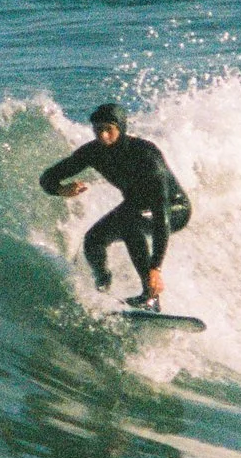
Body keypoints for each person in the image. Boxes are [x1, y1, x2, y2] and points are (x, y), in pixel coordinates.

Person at [39, 103, 192, 310]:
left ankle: (150, 296)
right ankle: (103, 289)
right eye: (98, 130)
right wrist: (60, 189)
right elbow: (48, 178)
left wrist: (155, 267)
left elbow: (160, 214)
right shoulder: (93, 152)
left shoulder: (146, 155)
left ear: (121, 128)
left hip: (173, 209)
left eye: (108, 129)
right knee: (94, 240)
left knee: (130, 225)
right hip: (136, 208)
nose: (103, 136)